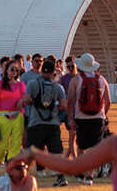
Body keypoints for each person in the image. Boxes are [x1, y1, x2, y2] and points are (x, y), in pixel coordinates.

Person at [22, 58, 67, 187]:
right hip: (53, 123)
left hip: (36, 122)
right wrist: (53, 110)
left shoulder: (32, 83)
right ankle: (61, 178)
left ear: (41, 71)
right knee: (56, 152)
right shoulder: (58, 87)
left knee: (29, 151)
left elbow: (26, 100)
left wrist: (35, 103)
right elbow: (63, 105)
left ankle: (21, 177)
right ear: (54, 72)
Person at [66, 53, 110, 183]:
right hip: (98, 117)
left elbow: (70, 100)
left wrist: (70, 117)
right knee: (94, 147)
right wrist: (103, 114)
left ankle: (80, 173)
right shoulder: (102, 79)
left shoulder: (76, 80)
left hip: (81, 117)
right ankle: (90, 176)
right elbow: (108, 101)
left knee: (81, 146)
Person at [0, 60, 26, 172]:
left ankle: (11, 164)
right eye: (12, 69)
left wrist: (22, 102)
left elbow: (24, 100)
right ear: (6, 70)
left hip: (17, 117)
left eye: (16, 70)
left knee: (16, 143)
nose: (14, 72)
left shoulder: (20, 85)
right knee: (3, 143)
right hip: (3, 117)